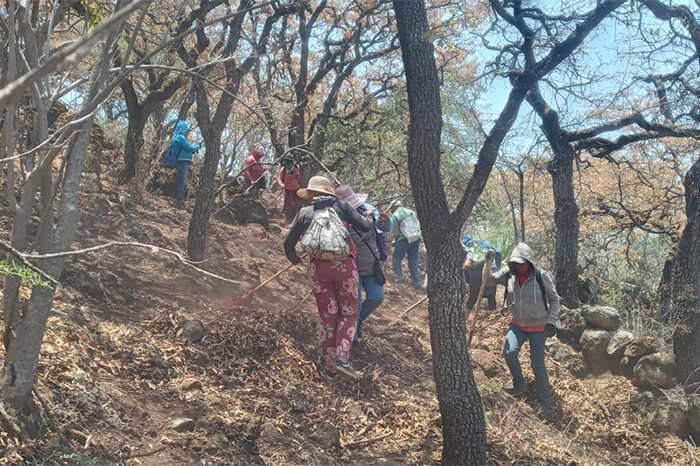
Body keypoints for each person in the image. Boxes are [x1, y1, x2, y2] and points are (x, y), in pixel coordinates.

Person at [284, 176, 375, 381]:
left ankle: (329, 362)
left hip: (318, 269)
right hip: (344, 266)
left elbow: (288, 242)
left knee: (328, 315)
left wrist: (295, 258)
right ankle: (342, 358)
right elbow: (364, 226)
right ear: (329, 192)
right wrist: (370, 217)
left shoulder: (305, 212)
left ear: (312, 194)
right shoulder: (342, 206)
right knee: (349, 313)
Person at [484, 243, 561, 412]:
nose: (519, 266)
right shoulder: (509, 274)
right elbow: (489, 280)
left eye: (522, 263)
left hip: (538, 326)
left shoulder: (541, 276)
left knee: (537, 364)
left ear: (529, 262)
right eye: (515, 263)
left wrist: (551, 321)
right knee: (509, 352)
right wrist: (488, 264)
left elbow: (555, 299)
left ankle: (544, 402)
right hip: (518, 323)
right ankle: (519, 385)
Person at [335, 185, 392, 349]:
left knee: (377, 297)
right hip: (352, 267)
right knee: (355, 305)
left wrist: (386, 220)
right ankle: (349, 341)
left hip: (372, 265)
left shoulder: (368, 209)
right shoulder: (338, 217)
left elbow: (386, 227)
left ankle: (357, 322)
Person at [387, 200, 422, 288]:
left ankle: (399, 278)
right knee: (413, 260)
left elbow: (396, 232)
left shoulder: (395, 215)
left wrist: (395, 240)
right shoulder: (412, 212)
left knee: (396, 258)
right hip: (416, 237)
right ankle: (416, 282)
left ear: (394, 207)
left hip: (404, 239)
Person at [462, 235, 499, 315]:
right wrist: (496, 268)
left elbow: (466, 266)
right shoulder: (484, 243)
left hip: (476, 271)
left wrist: (467, 279)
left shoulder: (466, 246)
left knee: (472, 297)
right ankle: (492, 317)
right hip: (491, 268)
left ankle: (465, 319)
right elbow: (498, 253)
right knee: (491, 296)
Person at [171, 120, 200, 209]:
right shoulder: (180, 137)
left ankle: (179, 198)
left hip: (184, 161)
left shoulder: (180, 137)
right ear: (183, 130)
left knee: (182, 180)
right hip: (182, 161)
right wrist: (197, 147)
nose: (188, 132)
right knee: (182, 180)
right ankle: (179, 199)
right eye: (187, 130)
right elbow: (189, 147)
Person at [277, 158, 301, 222]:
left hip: (296, 187)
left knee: (296, 202)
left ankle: (295, 217)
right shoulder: (283, 169)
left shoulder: (296, 167)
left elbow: (298, 177)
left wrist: (298, 184)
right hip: (288, 188)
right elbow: (279, 178)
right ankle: (288, 218)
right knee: (289, 203)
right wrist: (282, 185)